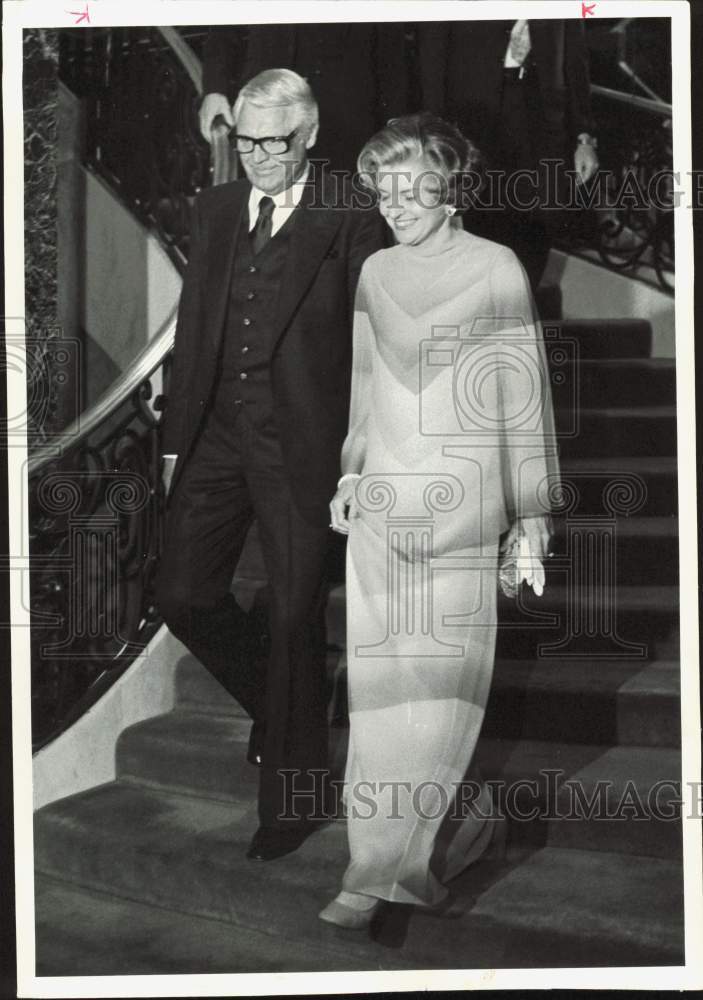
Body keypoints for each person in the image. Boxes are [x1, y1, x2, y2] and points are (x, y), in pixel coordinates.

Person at [320, 113, 558, 928]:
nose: (394, 202)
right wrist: (351, 473)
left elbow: (520, 400)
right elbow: (361, 390)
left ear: (450, 184)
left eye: (410, 184)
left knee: (438, 706)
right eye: (381, 188)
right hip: (383, 511)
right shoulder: (374, 273)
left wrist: (529, 516)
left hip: (462, 510)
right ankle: (373, 870)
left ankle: (416, 854)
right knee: (382, 706)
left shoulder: (495, 269)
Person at [156, 68, 383, 863]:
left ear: (311, 136)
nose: (256, 156)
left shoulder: (350, 213)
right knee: (182, 593)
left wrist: (363, 451)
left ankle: (292, 800)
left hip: (304, 442)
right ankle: (289, 708)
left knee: (291, 615)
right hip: (218, 431)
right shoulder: (215, 210)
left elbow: (372, 341)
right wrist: (175, 441)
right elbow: (195, 331)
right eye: (245, 140)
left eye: (273, 142)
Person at [418, 19, 599, 291]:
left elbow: (575, 58)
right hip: (474, 121)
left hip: (544, 122)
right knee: (480, 229)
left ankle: (521, 317)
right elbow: (431, 53)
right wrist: (436, 134)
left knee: (538, 230)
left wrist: (584, 137)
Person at [198, 24, 412, 174]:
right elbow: (223, 30)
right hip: (267, 107)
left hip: (344, 117)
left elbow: (391, 50)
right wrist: (215, 89)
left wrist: (395, 127)